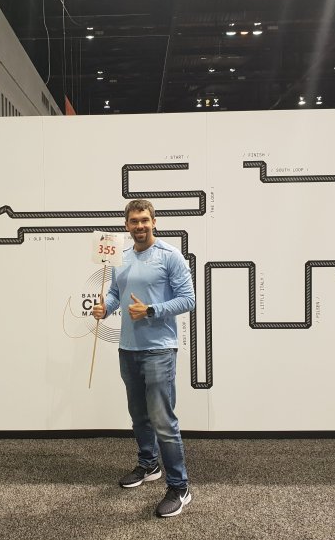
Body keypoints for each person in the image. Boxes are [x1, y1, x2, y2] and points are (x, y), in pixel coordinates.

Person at [92, 199, 196, 518]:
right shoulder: (120, 258)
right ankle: (149, 464)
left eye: (144, 220)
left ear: (154, 222)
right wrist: (105, 308)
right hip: (128, 348)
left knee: (163, 420)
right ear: (126, 226)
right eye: (134, 221)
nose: (139, 226)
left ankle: (180, 487)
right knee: (138, 415)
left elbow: (188, 299)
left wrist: (151, 310)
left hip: (160, 349)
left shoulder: (170, 256)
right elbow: (115, 293)